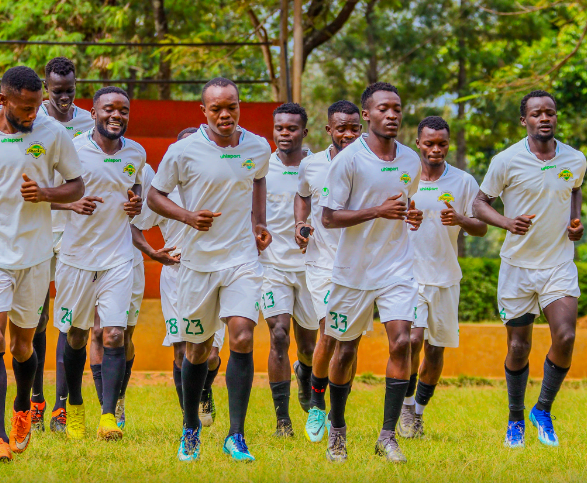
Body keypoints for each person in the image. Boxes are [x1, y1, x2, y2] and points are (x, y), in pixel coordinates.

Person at [147, 77, 271, 462]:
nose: (224, 115)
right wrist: (187, 217)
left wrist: (259, 222)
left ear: (239, 106)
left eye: (230, 107)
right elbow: (154, 195)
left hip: (241, 260)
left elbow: (258, 179)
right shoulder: (183, 151)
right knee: (198, 349)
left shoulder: (258, 146)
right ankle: (190, 427)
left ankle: (236, 435)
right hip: (198, 265)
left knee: (242, 336)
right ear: (203, 111)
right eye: (216, 108)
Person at [473, 90, 586, 448]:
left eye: (550, 112)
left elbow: (575, 190)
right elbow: (479, 203)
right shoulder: (505, 161)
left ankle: (543, 409)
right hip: (517, 268)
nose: (544, 118)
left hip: (558, 264)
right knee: (519, 347)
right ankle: (515, 418)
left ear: (556, 117)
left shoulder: (576, 158)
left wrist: (575, 223)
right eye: (536, 113)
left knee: (565, 336)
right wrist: (506, 223)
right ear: (524, 121)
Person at [319, 82, 423, 463]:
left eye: (397, 108)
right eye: (383, 109)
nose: (392, 115)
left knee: (402, 342)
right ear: (366, 115)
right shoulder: (347, 161)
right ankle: (338, 431)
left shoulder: (411, 159)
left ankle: (387, 435)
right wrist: (376, 211)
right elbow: (328, 217)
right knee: (345, 350)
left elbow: (403, 204)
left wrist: (411, 214)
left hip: (397, 266)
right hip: (352, 272)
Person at [0, 66, 84, 460]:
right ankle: (0, 436)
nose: (33, 114)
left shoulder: (52, 133)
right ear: (4, 101)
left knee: (21, 346)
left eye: (37, 106)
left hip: (35, 256)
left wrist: (45, 193)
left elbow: (76, 185)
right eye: (25, 107)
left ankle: (21, 406)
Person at [52, 86, 145, 441]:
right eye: (109, 109)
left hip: (118, 256)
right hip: (76, 258)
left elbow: (132, 193)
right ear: (93, 113)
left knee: (115, 332)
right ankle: (74, 405)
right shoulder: (71, 149)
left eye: (123, 110)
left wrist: (134, 206)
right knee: (75, 335)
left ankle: (108, 416)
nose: (116, 116)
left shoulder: (136, 152)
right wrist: (70, 205)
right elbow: (45, 195)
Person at [398, 116, 486, 439]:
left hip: (446, 278)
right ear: (418, 143)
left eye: (442, 144)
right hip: (409, 276)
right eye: (429, 143)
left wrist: (460, 218)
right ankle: (406, 407)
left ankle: (418, 412)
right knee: (412, 340)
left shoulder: (463, 182)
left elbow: (481, 227)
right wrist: (405, 217)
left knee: (435, 352)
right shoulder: (404, 177)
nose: (436, 149)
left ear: (448, 144)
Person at [131, 127, 225, 425]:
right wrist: (152, 252)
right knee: (181, 348)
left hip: (215, 273)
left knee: (210, 353)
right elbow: (135, 225)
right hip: (176, 275)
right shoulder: (164, 194)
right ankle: (189, 418)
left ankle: (204, 392)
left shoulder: (219, 186)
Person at [30, 56, 94, 434]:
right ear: (45, 88)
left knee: (67, 321)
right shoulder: (30, 119)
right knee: (36, 318)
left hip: (77, 234)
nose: (65, 97)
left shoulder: (89, 122)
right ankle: (35, 400)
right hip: (38, 229)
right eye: (57, 92)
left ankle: (59, 406)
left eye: (70, 90)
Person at [295, 100, 362, 443]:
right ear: (329, 131)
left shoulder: (372, 164)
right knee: (329, 330)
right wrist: (299, 224)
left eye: (354, 129)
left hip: (362, 267)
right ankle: (317, 401)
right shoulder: (311, 164)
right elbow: (302, 196)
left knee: (349, 346)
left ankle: (338, 412)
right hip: (321, 264)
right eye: (341, 129)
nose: (348, 135)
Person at [260, 102, 317, 437]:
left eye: (292, 128)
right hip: (272, 267)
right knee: (278, 334)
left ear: (304, 132)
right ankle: (283, 420)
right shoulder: (260, 168)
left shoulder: (318, 167)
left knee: (309, 347)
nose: (284, 134)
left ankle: (305, 373)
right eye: (279, 128)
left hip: (310, 268)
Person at [88, 161, 154, 429]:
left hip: (129, 260)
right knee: (97, 331)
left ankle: (118, 398)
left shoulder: (143, 169)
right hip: (90, 257)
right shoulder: (85, 158)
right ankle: (107, 410)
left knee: (122, 335)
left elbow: (144, 220)